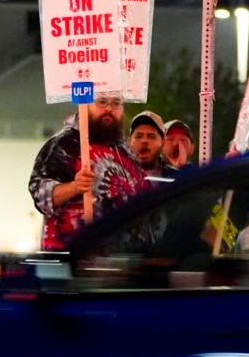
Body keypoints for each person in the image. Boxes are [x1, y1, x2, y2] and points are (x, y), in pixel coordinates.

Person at [29, 93, 146, 251]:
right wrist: (74, 187)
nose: (109, 109)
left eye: (116, 103)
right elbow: (40, 194)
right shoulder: (64, 144)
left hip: (121, 260)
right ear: (85, 106)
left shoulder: (125, 150)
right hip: (72, 258)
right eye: (102, 102)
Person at [127, 110, 178, 180]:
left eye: (151, 137)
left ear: (163, 143)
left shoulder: (177, 178)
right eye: (138, 136)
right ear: (129, 142)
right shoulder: (114, 176)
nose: (144, 141)